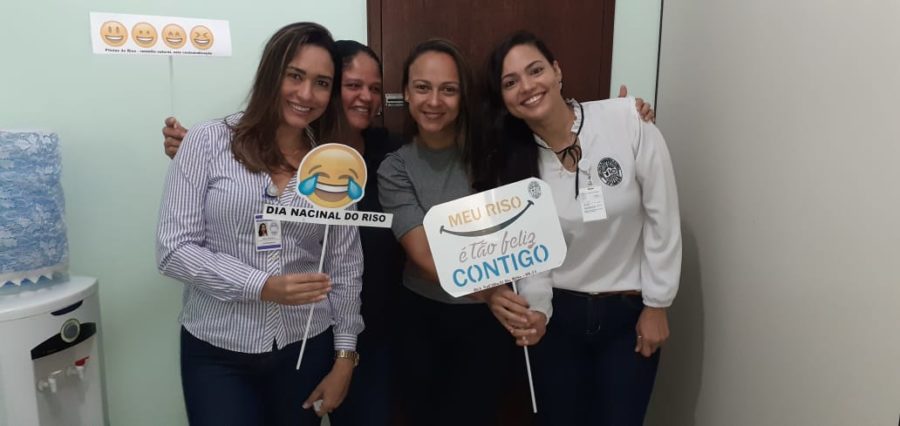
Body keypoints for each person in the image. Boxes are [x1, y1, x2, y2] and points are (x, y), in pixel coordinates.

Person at [161, 39, 404, 426]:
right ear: (271, 74)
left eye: (321, 83)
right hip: (218, 349)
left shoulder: (332, 163)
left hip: (305, 346)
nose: (306, 94)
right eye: (295, 76)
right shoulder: (207, 141)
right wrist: (262, 285)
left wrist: (345, 357)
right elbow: (174, 250)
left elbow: (344, 266)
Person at [478, 31, 681, 426]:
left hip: (628, 315)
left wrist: (658, 304)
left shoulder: (626, 120)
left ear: (557, 71)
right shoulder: (512, 163)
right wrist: (537, 312)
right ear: (503, 99)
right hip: (559, 320)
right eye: (510, 82)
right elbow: (532, 254)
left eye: (535, 70)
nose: (527, 86)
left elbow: (663, 215)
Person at [376, 38, 514, 426]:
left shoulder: (496, 152)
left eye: (448, 90)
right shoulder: (395, 168)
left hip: (488, 321)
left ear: (462, 95)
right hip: (422, 317)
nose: (434, 101)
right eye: (422, 87)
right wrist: (491, 293)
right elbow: (425, 256)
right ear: (406, 92)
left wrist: (619, 118)